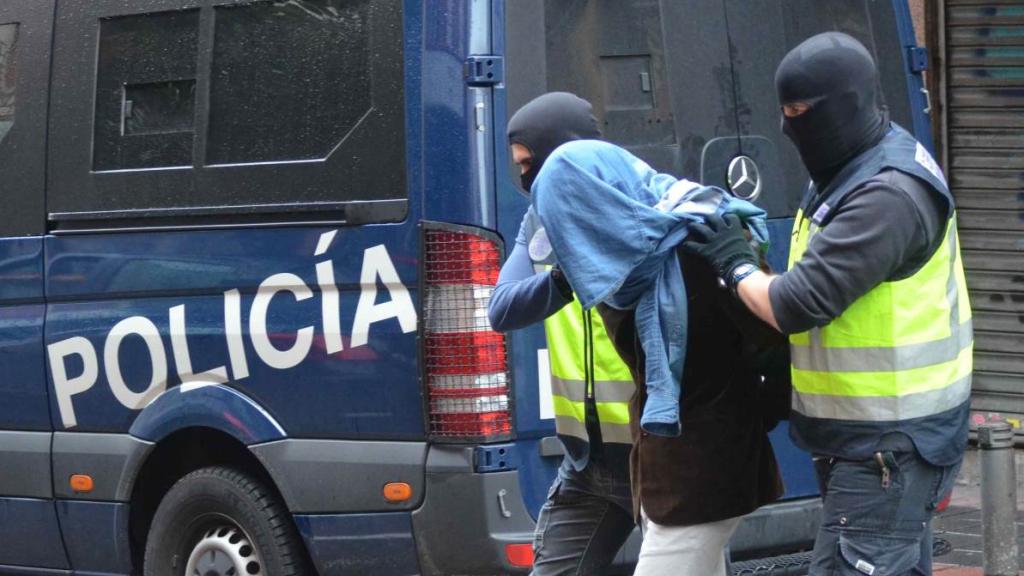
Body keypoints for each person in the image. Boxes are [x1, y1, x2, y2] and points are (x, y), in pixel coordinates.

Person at [681, 32, 972, 575]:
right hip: (867, 437)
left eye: (800, 112)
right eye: (783, 112)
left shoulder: (887, 193)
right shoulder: (847, 169)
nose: (790, 127)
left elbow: (799, 302)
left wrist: (734, 264)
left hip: (890, 445)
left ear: (847, 104)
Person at [530, 138, 787, 576]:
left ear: (597, 201)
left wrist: (764, 408)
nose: (569, 237)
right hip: (661, 473)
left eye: (570, 219)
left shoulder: (699, 236)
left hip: (707, 472)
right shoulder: (617, 260)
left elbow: (773, 334)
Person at [489, 92, 636, 575]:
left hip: (658, 456)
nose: (526, 179)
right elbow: (502, 308)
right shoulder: (540, 221)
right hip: (586, 462)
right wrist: (566, 275)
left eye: (530, 164)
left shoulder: (638, 207)